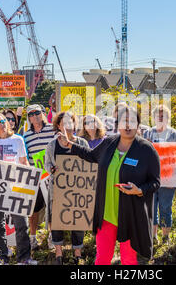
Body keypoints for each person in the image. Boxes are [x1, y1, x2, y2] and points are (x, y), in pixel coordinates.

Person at [59, 105, 160, 265]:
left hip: (130, 215)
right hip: (106, 215)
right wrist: (70, 144)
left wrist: (139, 190)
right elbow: (91, 155)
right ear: (118, 124)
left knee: (128, 260)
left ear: (138, 125)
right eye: (124, 121)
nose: (128, 125)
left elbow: (155, 182)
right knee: (102, 259)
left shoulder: (146, 150)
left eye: (132, 121)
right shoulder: (109, 143)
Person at [0, 112, 37, 265]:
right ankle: (1, 258)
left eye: (3, 121)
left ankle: (24, 258)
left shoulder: (17, 139)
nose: (2, 124)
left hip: (16, 187)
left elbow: (24, 163)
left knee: (22, 224)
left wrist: (30, 181)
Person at [44, 112, 89, 265]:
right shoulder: (52, 145)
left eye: (71, 122)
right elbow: (47, 165)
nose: (68, 125)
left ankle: (77, 253)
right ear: (58, 125)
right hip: (58, 190)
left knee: (78, 221)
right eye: (64, 123)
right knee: (57, 222)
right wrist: (53, 169)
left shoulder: (82, 143)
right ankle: (58, 253)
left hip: (79, 190)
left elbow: (90, 160)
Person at [144, 105, 176, 244]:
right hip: (150, 178)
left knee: (165, 207)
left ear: (167, 118)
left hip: (168, 179)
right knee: (152, 208)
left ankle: (166, 237)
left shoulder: (175, 135)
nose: (160, 118)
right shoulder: (147, 134)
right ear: (153, 118)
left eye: (163, 116)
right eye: (158, 115)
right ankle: (153, 237)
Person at [22, 104, 55, 249]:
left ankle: (52, 237)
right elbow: (26, 157)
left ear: (43, 113)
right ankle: (33, 237)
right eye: (30, 114)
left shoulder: (53, 130)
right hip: (36, 177)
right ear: (28, 117)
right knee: (33, 210)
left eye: (36, 112)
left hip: (52, 176)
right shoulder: (26, 135)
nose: (34, 116)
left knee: (52, 209)